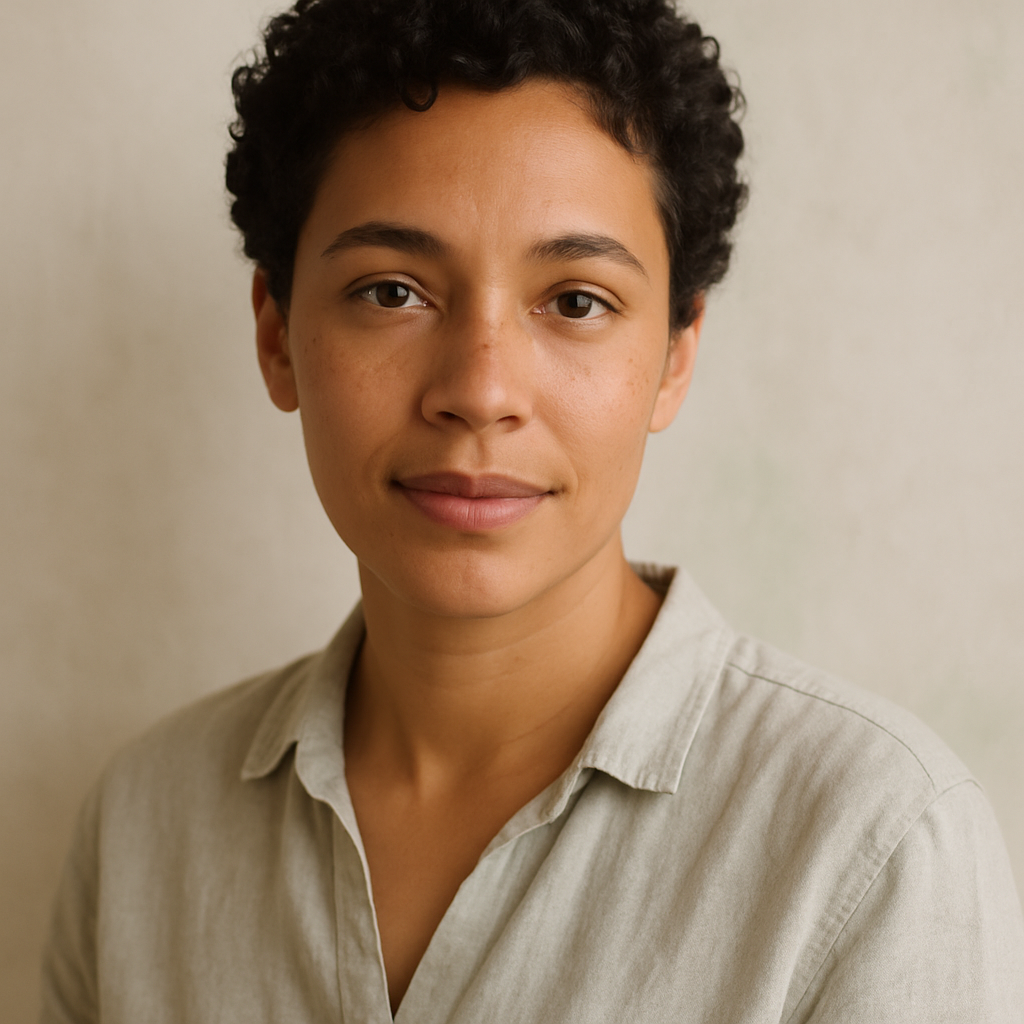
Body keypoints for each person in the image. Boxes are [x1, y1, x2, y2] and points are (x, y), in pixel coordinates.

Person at [41, 0, 1024, 1020]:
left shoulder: (872, 844)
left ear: (674, 355)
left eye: (576, 301)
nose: (480, 387)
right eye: (390, 291)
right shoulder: (141, 829)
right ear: (278, 333)